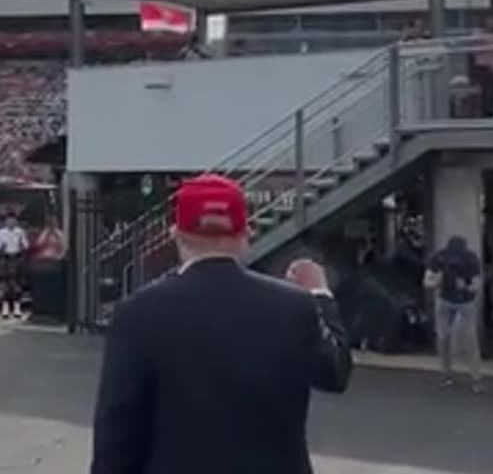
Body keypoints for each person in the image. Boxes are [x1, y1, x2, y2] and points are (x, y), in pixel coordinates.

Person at [90, 174, 352, 474]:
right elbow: (335, 372)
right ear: (245, 233)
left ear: (175, 232)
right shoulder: (294, 306)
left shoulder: (138, 312)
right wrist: (320, 294)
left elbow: (117, 432)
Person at [425, 235, 484, 393]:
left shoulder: (471, 260)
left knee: (469, 339)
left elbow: (477, 285)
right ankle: (446, 374)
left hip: (466, 302)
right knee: (443, 336)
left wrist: (466, 286)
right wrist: (436, 281)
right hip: (445, 300)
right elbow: (427, 281)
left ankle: (476, 377)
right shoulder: (439, 258)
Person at [0, 215, 30, 319]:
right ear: (6, 222)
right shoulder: (1, 232)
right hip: (5, 257)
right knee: (5, 284)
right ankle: (5, 309)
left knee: (17, 284)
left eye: (13, 221)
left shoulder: (20, 232)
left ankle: (17, 309)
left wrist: (22, 245)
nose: (11, 223)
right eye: (9, 221)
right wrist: (1, 247)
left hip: (17, 258)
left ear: (16, 222)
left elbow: (26, 245)